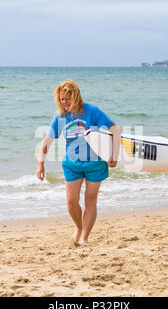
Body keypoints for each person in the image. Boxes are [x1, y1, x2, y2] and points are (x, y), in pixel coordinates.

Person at [36, 79, 121, 246]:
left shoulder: (92, 111)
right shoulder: (61, 117)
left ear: (76, 96)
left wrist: (114, 155)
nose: (65, 102)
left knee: (90, 201)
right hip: (72, 165)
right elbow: (46, 141)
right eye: (62, 99)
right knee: (71, 201)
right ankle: (78, 227)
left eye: (68, 98)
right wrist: (40, 164)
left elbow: (114, 129)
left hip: (95, 164)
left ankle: (84, 237)